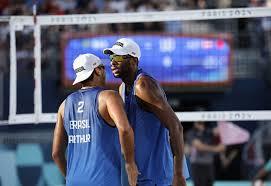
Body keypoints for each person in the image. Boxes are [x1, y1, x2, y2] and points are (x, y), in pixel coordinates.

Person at [103, 38, 189, 186]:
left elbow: (176, 127)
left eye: (117, 57)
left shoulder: (143, 86)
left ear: (133, 60)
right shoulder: (123, 88)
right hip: (141, 175)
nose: (112, 62)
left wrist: (179, 174)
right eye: (111, 57)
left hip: (159, 176)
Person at [52, 53, 139, 186]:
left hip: (74, 181)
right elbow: (125, 129)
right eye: (102, 67)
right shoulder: (108, 97)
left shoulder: (64, 105)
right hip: (103, 181)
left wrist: (70, 178)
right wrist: (130, 164)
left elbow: (56, 153)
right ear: (97, 70)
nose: (105, 70)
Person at [186, 121, 225, 186]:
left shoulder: (208, 132)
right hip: (197, 164)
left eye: (202, 122)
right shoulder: (191, 133)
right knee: (198, 184)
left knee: (209, 183)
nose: (200, 125)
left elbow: (219, 133)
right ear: (195, 123)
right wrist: (216, 149)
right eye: (198, 122)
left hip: (208, 164)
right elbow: (199, 146)